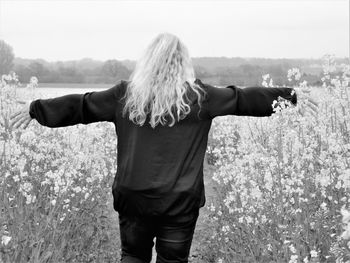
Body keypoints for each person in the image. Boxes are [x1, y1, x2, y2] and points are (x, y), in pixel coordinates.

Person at [10, 32, 318, 263]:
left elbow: (81, 106)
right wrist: (291, 97)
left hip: (134, 198)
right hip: (179, 203)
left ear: (148, 61)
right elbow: (243, 98)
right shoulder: (200, 97)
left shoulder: (125, 96)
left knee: (133, 258)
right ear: (184, 63)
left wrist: (35, 108)